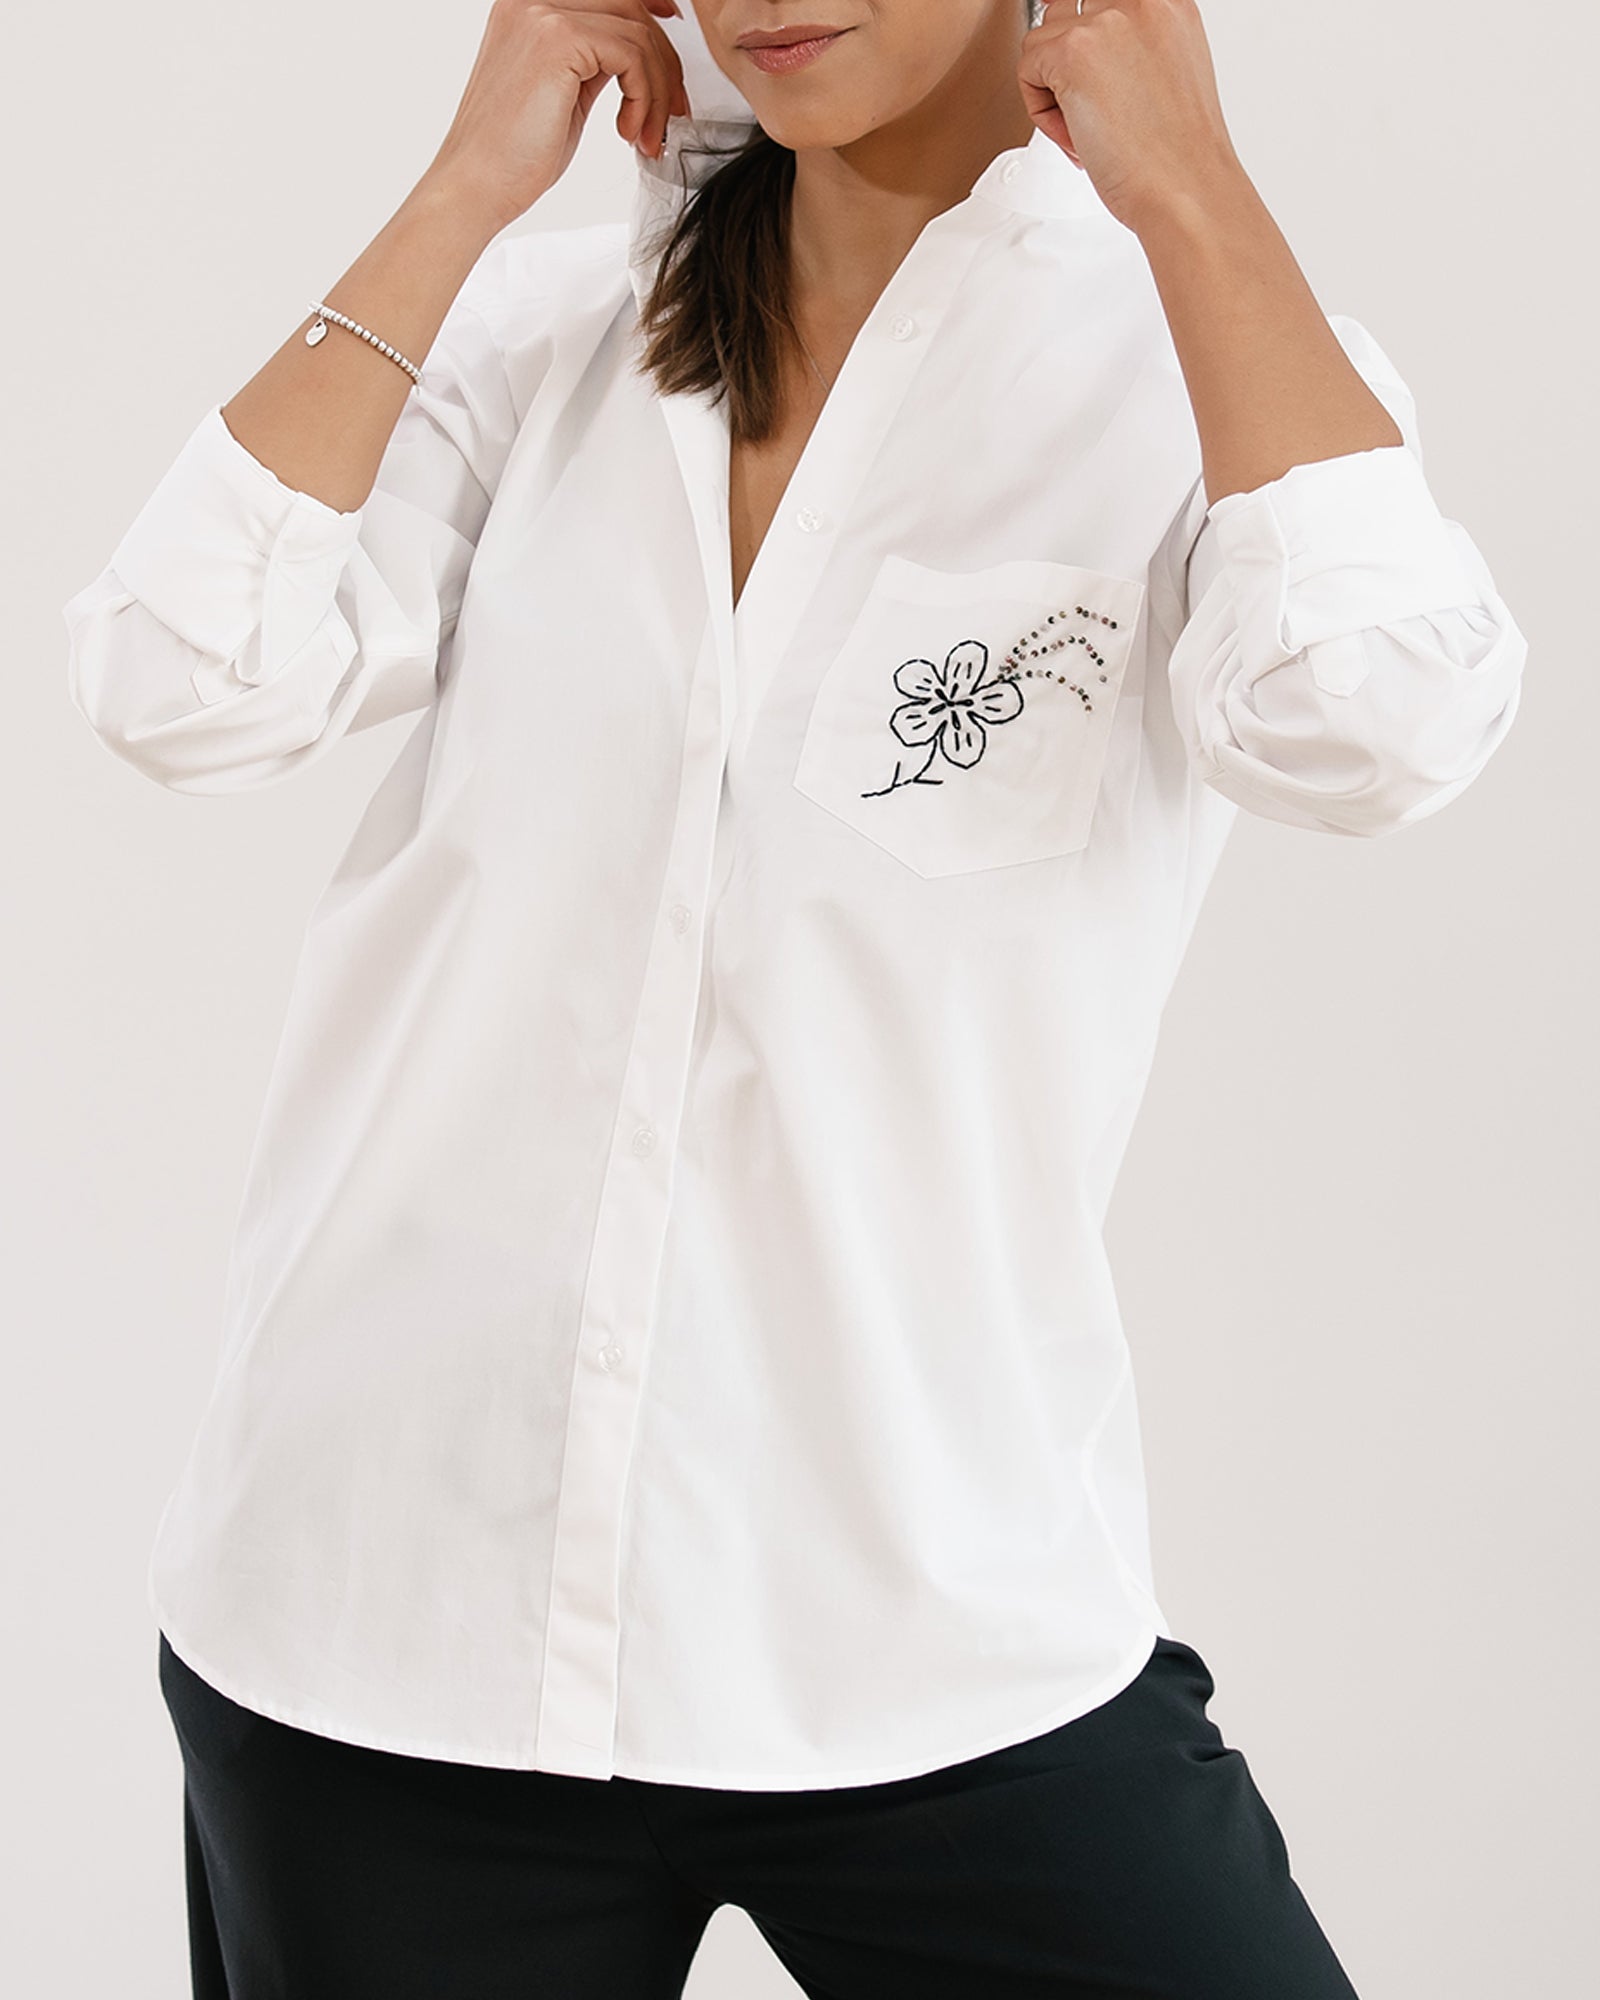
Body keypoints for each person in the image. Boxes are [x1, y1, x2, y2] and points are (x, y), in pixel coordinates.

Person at [62, 2, 1527, 1995]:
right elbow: (177, 680)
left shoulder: (1199, 376)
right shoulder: (542, 341)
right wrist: (465, 183)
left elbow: (1376, 725)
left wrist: (1186, 181)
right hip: (391, 1626)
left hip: (925, 1635)